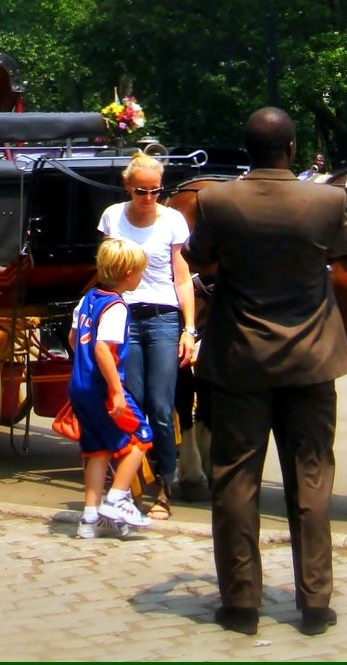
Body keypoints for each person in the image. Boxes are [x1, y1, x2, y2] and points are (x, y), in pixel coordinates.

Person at [182, 107, 347, 637]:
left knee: (235, 478)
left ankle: (240, 604)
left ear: (248, 148)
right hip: (310, 359)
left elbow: (198, 256)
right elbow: (346, 247)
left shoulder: (217, 200)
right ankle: (315, 601)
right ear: (292, 148)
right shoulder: (328, 200)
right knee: (311, 479)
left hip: (240, 358)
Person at [98, 152, 197, 520]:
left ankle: (165, 487)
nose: (149, 197)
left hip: (162, 318)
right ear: (128, 187)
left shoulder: (172, 221)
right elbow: (106, 271)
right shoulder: (112, 217)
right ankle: (128, 484)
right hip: (123, 317)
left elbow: (182, 277)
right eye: (141, 191)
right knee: (132, 400)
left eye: (156, 190)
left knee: (160, 403)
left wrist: (189, 329)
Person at [67, 237, 155, 538]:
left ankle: (89, 519)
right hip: (104, 389)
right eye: (140, 271)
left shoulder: (89, 298)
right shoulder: (116, 307)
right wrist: (117, 389)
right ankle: (117, 499)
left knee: (97, 450)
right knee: (140, 437)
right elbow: (104, 348)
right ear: (128, 273)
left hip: (79, 387)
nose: (142, 275)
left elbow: (72, 337)